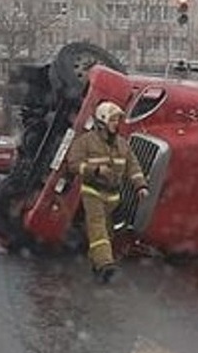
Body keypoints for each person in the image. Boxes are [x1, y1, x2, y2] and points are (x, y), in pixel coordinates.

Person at [64, 100, 149, 282]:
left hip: (113, 196)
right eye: (113, 120)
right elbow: (73, 164)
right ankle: (105, 264)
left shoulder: (122, 144)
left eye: (118, 121)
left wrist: (140, 186)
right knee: (97, 228)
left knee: (107, 234)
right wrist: (94, 170)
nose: (116, 125)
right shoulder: (85, 142)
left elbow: (132, 167)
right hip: (92, 192)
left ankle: (97, 263)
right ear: (102, 122)